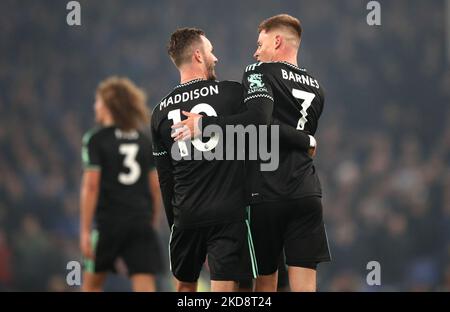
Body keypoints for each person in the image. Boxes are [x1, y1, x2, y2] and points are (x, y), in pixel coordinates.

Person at [173, 14, 331, 292]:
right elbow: (295, 135)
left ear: (277, 40)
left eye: (260, 44)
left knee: (264, 287)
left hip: (266, 194)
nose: (255, 51)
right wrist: (304, 137)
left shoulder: (259, 72)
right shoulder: (317, 88)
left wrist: (204, 124)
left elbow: (259, 122)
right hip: (307, 193)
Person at [151, 28, 255, 292]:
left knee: (185, 289)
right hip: (227, 213)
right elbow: (258, 132)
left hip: (186, 214)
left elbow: (165, 178)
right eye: (210, 51)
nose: (215, 57)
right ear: (198, 55)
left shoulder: (160, 111)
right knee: (229, 289)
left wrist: (175, 223)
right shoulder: (232, 94)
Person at [80, 77, 163, 292]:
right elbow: (155, 186)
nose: (94, 106)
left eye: (97, 101)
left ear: (108, 104)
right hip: (140, 221)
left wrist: (85, 231)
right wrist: (151, 220)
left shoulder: (96, 139)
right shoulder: (144, 140)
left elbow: (91, 187)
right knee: (144, 284)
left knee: (91, 285)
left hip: (109, 223)